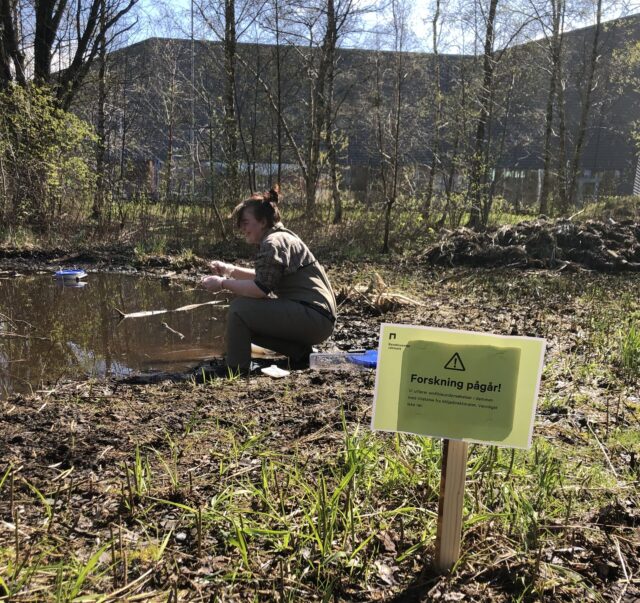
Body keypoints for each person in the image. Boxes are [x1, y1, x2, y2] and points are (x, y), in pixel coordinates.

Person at [201, 186, 336, 375]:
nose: (242, 229)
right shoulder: (280, 238)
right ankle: (300, 353)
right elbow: (265, 277)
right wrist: (228, 270)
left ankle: (235, 368)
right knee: (248, 319)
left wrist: (222, 283)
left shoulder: (273, 243)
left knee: (240, 311)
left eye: (246, 222)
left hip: (314, 317)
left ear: (263, 221)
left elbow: (260, 289)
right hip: (318, 318)